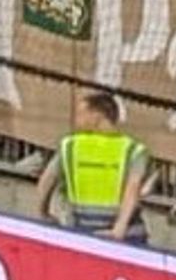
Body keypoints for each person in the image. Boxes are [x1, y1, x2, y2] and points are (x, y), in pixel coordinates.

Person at [32, 89, 151, 244]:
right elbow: (133, 189)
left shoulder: (70, 146)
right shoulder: (134, 150)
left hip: (83, 231)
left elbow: (46, 181)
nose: (76, 119)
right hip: (127, 235)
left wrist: (43, 212)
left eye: (82, 114)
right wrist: (119, 228)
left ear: (97, 116)